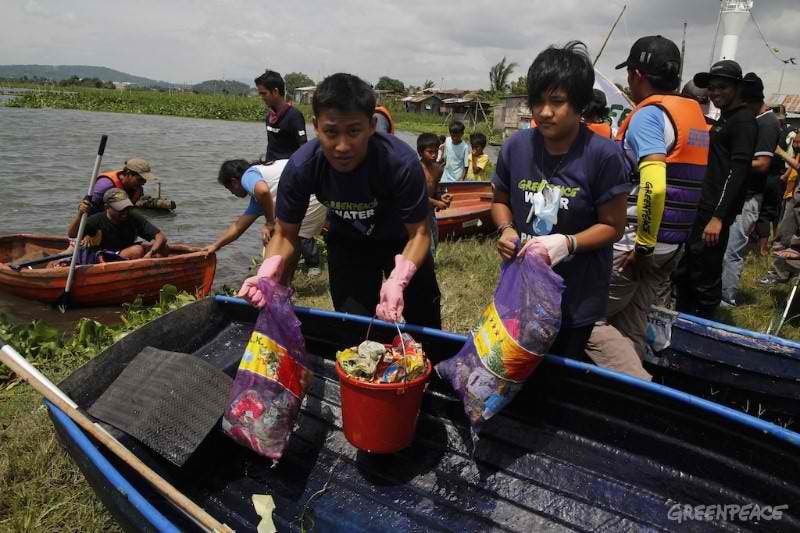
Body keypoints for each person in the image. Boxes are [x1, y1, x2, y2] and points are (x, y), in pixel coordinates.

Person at [238, 73, 441, 328]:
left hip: (400, 242)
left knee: (427, 327)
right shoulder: (302, 167)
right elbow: (285, 234)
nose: (342, 146)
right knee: (354, 331)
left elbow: (420, 234)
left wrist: (399, 277)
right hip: (348, 243)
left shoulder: (400, 163)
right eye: (331, 132)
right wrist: (267, 272)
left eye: (354, 131)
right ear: (316, 126)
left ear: (371, 125)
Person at [492, 41, 630, 357]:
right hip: (520, 288)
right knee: (513, 368)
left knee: (558, 377)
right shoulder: (516, 147)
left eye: (557, 101)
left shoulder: (603, 155)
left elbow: (613, 226)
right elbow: (499, 200)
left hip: (575, 295)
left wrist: (568, 243)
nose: (544, 112)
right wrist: (506, 229)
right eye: (538, 101)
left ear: (579, 105)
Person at [585, 35, 709, 378]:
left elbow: (653, 185)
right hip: (672, 243)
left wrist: (642, 245)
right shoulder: (692, 114)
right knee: (631, 324)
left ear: (638, 74)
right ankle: (629, 397)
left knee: (583, 317)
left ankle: (645, 385)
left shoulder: (649, 116)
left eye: (629, 74)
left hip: (638, 242)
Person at [672, 60, 758, 317]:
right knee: (686, 272)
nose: (715, 93)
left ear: (737, 88)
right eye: (712, 88)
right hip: (703, 207)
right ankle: (682, 322)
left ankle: (704, 328)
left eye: (722, 87)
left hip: (714, 213)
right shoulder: (726, 119)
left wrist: (718, 217)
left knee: (704, 274)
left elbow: (738, 171)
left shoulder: (743, 122)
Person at [718, 73, 781, 305]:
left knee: (732, 250)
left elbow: (763, 163)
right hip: (739, 193)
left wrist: (731, 162)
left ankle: (727, 298)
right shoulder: (756, 120)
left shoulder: (767, 123)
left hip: (750, 197)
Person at [204, 159, 327, 277]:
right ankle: (283, 282)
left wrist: (269, 223)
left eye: (229, 188)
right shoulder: (259, 196)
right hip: (319, 190)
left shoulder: (248, 176)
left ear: (234, 181)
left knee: (287, 239)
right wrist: (216, 246)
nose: (231, 193)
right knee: (287, 238)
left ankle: (281, 283)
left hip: (311, 195)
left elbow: (262, 191)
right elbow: (239, 227)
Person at [66, 188, 167, 260]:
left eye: (126, 207)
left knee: (163, 248)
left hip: (125, 250)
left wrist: (150, 253)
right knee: (136, 251)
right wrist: (80, 215)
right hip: (105, 256)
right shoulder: (96, 220)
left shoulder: (133, 217)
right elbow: (72, 234)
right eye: (120, 208)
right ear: (107, 207)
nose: (124, 212)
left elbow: (160, 236)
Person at [256, 70, 307, 162]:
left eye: (264, 93)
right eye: (260, 94)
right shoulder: (269, 117)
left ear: (275, 92)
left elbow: (303, 147)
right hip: (270, 166)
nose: (262, 98)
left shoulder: (294, 116)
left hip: (287, 167)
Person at [417, 133, 450, 255]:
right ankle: (427, 266)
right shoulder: (416, 169)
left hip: (430, 211)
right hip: (418, 211)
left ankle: (429, 263)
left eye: (436, 151)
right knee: (425, 241)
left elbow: (436, 189)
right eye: (430, 152)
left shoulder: (438, 169)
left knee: (435, 239)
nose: (434, 155)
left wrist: (442, 197)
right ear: (420, 152)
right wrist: (437, 202)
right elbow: (417, 195)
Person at [87, 159, 153, 215]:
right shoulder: (106, 184)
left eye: (144, 180)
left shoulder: (138, 189)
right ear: (128, 174)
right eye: (139, 180)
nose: (143, 183)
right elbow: (88, 205)